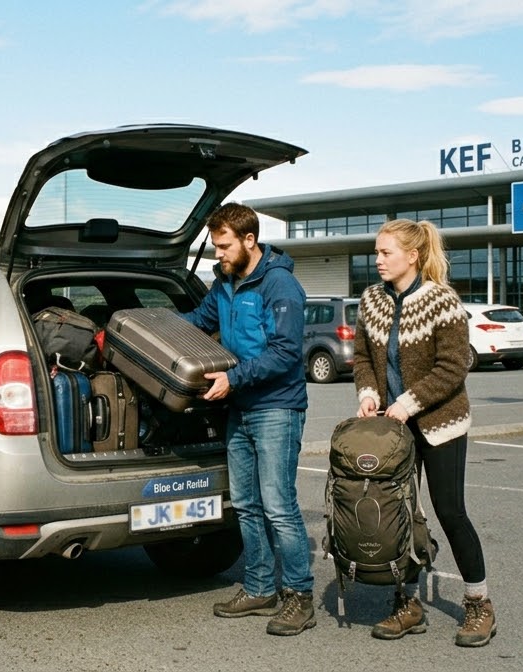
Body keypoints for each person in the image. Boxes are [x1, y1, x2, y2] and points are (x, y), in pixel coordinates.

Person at [351, 218, 495, 647]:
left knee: (450, 512)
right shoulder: (370, 300)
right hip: (392, 429)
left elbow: (454, 365)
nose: (377, 260)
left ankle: (478, 603)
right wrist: (368, 393)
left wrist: (407, 403)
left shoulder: (442, 300)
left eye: (385, 253)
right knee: (400, 517)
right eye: (376, 253)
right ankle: (407, 604)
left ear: (412, 256)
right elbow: (361, 356)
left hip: (440, 424)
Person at [179, 203, 316, 637]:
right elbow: (196, 324)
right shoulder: (224, 285)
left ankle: (299, 596)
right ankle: (259, 588)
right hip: (240, 408)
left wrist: (233, 378)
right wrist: (144, 325)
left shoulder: (280, 286)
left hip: (277, 408)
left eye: (223, 246)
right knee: (245, 505)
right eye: (216, 246)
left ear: (249, 241)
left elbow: (285, 354)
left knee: (279, 507)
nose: (218, 254)